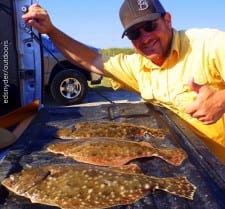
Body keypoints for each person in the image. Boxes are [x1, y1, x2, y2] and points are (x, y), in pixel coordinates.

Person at [22, 0, 225, 163]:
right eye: (134, 33)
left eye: (150, 26)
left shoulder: (208, 44)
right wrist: (51, 30)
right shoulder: (137, 66)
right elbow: (91, 59)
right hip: (195, 159)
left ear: (168, 20)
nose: (145, 38)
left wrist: (221, 99)